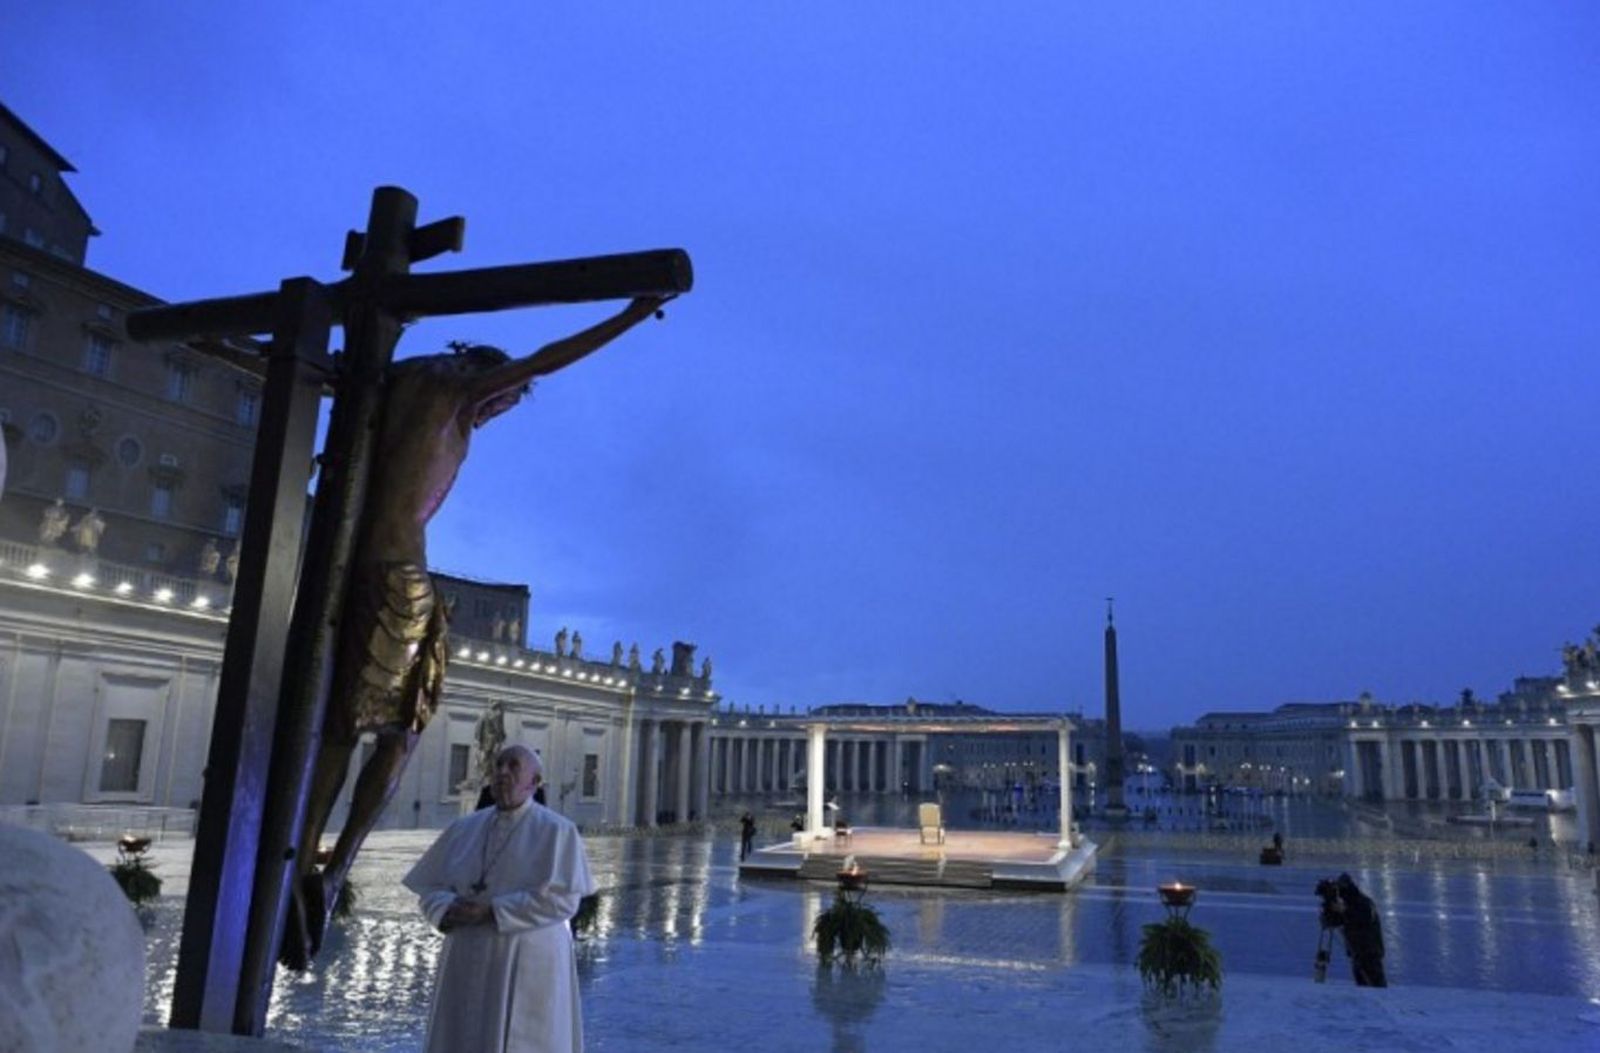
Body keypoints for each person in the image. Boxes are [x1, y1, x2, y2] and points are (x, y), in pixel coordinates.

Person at [282, 295, 666, 969]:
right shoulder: (455, 388)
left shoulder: (392, 380)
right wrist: (633, 313)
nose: (495, 413)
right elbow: (552, 356)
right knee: (396, 736)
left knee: (344, 724)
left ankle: (303, 850)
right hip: (399, 575)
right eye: (504, 401)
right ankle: (330, 864)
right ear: (494, 377)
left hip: (351, 565)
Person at [404, 744, 596, 1053]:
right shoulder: (464, 828)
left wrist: (493, 911)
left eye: (513, 766)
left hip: (525, 958)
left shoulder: (558, 832)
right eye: (499, 766)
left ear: (534, 783)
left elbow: (564, 902)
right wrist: (445, 908)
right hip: (464, 954)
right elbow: (429, 886)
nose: (503, 772)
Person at [1325, 872, 1386, 987]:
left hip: (1369, 951)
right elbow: (1334, 921)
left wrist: (1343, 911)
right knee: (1362, 984)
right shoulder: (1348, 904)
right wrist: (1329, 908)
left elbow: (1362, 919)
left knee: (1375, 984)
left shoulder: (1363, 902)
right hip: (1357, 951)